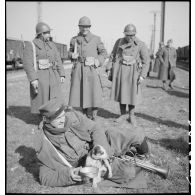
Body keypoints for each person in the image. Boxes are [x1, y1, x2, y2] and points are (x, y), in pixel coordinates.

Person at [37, 98, 149, 187]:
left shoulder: (72, 116)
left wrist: (101, 148)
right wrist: (69, 175)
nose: (62, 120)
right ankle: (122, 156)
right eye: (57, 119)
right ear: (46, 120)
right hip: (87, 166)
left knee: (133, 135)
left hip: (96, 147)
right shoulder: (44, 142)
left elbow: (95, 128)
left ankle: (142, 154)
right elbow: (45, 177)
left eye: (62, 116)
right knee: (128, 173)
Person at [106, 24, 150, 126]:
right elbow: (112, 55)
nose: (130, 37)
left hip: (133, 71)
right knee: (121, 93)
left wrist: (142, 75)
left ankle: (131, 115)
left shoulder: (140, 44)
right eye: (128, 35)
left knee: (132, 94)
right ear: (124, 34)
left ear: (135, 34)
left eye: (132, 35)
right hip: (120, 70)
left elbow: (146, 61)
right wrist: (108, 68)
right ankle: (122, 115)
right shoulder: (119, 41)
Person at [68, 16, 107, 121]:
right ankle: (84, 114)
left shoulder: (96, 39)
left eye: (87, 26)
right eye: (82, 26)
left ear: (90, 27)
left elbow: (104, 53)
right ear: (79, 27)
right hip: (79, 70)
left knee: (94, 91)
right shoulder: (74, 40)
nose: (85, 29)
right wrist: (71, 55)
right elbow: (70, 52)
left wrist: (97, 61)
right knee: (80, 92)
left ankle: (94, 114)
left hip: (91, 69)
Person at [23, 22, 66, 116]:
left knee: (55, 98)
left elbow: (58, 60)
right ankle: (43, 121)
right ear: (41, 34)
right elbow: (27, 64)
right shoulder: (31, 45)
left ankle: (54, 119)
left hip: (54, 76)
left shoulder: (52, 45)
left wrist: (61, 74)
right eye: (48, 33)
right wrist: (33, 79)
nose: (50, 35)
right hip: (41, 77)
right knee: (42, 100)